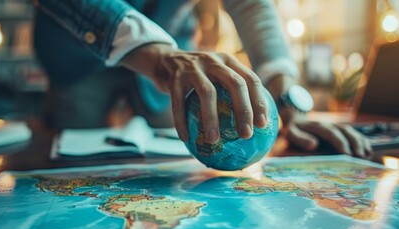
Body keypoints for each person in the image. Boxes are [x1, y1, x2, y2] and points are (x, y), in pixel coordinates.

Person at [33, 0, 372, 158]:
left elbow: (251, 4)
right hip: (79, 54)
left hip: (174, 66)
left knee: (182, 145)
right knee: (65, 161)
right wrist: (159, 55)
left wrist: (285, 97)